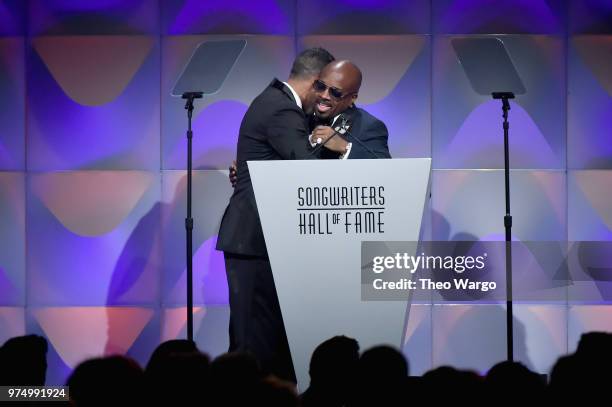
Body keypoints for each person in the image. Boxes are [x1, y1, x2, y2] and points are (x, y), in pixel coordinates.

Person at [216, 47, 342, 382]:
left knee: (269, 347)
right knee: (253, 348)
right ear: (316, 83)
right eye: (327, 89)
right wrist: (339, 148)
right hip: (255, 242)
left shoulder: (276, 104)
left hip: (264, 243)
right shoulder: (280, 109)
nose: (329, 98)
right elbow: (309, 169)